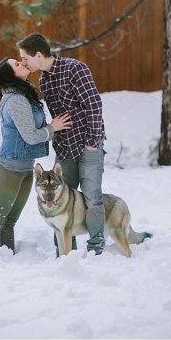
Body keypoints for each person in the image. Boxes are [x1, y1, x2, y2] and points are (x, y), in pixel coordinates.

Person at [0, 57, 72, 257]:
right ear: (10, 76)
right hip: (9, 169)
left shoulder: (23, 94)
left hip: (25, 167)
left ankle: (5, 257)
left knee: (9, 220)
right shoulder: (16, 100)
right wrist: (54, 127)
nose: (22, 63)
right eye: (17, 65)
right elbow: (31, 136)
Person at [17, 33, 107, 255]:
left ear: (38, 54)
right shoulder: (44, 79)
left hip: (88, 145)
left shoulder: (75, 69)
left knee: (92, 196)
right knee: (59, 197)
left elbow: (94, 106)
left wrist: (92, 143)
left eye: (25, 58)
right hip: (65, 148)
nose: (24, 62)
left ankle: (97, 249)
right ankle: (65, 253)